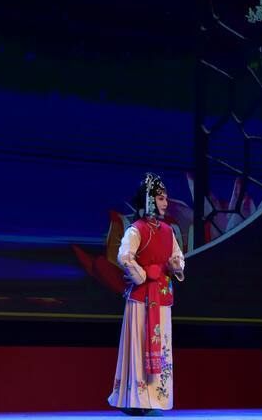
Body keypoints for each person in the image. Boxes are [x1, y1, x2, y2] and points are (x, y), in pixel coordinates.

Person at [107, 173, 185, 416]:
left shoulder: (168, 230)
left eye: (166, 198)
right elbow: (124, 257)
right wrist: (142, 274)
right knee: (139, 347)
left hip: (161, 297)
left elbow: (178, 257)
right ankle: (136, 399)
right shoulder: (136, 230)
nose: (165, 203)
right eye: (161, 198)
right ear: (149, 201)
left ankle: (155, 399)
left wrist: (174, 265)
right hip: (141, 297)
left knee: (162, 347)